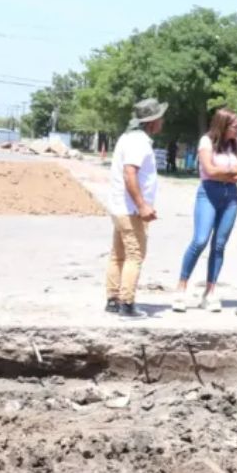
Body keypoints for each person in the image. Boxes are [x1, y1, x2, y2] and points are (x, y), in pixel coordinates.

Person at [172, 108, 237, 312]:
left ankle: (210, 291)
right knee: (200, 240)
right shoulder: (206, 142)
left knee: (219, 245)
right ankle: (181, 288)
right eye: (235, 126)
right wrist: (232, 171)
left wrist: (224, 174)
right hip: (208, 193)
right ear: (223, 125)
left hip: (230, 196)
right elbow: (209, 170)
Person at [105, 97, 166, 317]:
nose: (163, 121)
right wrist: (142, 205)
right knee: (135, 255)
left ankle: (113, 299)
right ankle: (126, 303)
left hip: (119, 207)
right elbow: (130, 174)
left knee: (118, 255)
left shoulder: (127, 138)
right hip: (130, 209)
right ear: (152, 122)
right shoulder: (139, 143)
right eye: (160, 117)